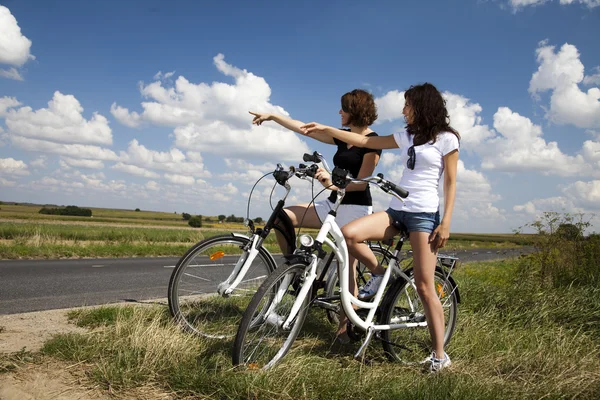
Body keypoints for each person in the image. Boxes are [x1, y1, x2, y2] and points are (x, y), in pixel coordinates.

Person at [301, 83, 460, 372]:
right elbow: (365, 143)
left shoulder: (447, 139)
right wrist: (327, 128)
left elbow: (450, 182)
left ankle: (439, 356)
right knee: (349, 235)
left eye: (407, 105)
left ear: (422, 105)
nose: (403, 110)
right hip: (397, 210)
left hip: (424, 216)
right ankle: (380, 278)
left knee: (425, 286)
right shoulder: (406, 136)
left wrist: (446, 221)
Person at [249, 89, 382, 340]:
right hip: (331, 203)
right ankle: (293, 268)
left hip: (355, 207)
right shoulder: (342, 137)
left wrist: (332, 182)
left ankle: (345, 327)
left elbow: (362, 184)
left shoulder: (372, 142)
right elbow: (304, 129)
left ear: (354, 110)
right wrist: (274, 116)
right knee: (283, 217)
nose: (339, 112)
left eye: (343, 108)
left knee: (347, 266)